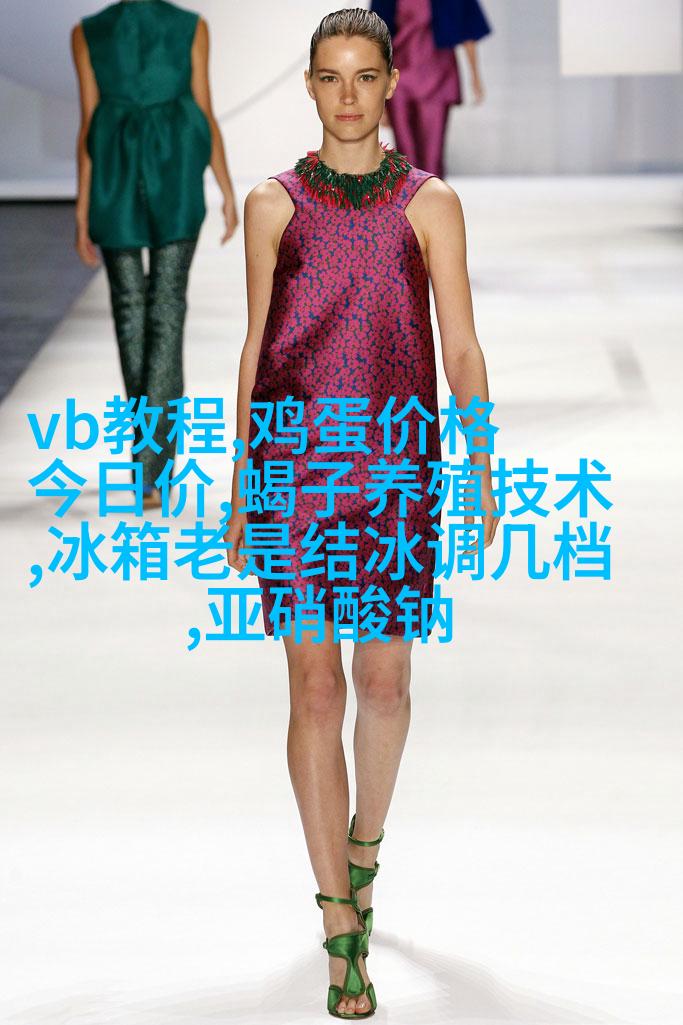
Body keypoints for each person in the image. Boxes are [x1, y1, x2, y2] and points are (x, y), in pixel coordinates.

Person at [225, 7, 498, 1018]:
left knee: (383, 680)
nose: (347, 95)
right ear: (308, 86)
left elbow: (459, 344)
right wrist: (240, 480)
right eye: (330, 76)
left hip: (393, 470)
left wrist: (481, 461)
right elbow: (256, 346)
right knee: (312, 687)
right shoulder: (272, 204)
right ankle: (338, 917)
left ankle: (364, 851)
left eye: (363, 76)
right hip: (295, 468)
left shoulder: (431, 205)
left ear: (390, 83)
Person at [71, 0, 238, 509]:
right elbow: (204, 112)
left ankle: (146, 463)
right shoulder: (191, 27)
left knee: (130, 314)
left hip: (114, 181)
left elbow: (89, 124)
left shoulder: (88, 32)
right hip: (176, 177)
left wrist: (82, 208)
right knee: (166, 312)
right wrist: (226, 188)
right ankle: (153, 468)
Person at [371, 0, 492, 177]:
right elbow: (375, 40)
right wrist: (376, 96)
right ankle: (412, 195)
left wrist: (475, 76)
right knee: (406, 156)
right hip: (398, 80)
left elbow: (468, 28)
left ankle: (432, 195)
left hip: (438, 76)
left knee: (432, 158)